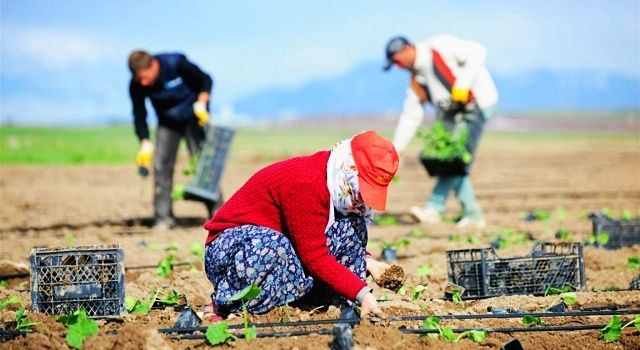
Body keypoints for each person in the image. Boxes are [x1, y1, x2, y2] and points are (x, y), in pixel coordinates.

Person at [202, 131, 398, 319]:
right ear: (350, 170)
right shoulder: (307, 184)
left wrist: (367, 262)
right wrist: (362, 293)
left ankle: (322, 302)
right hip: (232, 252)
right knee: (272, 245)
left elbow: (329, 235)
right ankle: (225, 304)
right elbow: (315, 256)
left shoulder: (336, 183)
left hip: (283, 248)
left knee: (351, 226)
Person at [383, 35, 498, 229]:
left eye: (396, 61)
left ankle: (437, 209)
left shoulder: (439, 46)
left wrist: (463, 83)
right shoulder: (416, 80)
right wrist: (398, 148)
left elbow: (478, 50)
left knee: (454, 159)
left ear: (406, 50)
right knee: (450, 159)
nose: (398, 67)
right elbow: (411, 115)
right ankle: (469, 214)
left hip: (477, 104)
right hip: (453, 115)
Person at [128, 50, 213, 230]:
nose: (144, 83)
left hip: (193, 117)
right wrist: (144, 141)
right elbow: (139, 112)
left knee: (204, 165)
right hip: (167, 122)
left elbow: (206, 80)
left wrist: (202, 102)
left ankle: (217, 213)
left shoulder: (176, 63)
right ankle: (163, 217)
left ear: (154, 65)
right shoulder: (136, 84)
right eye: (139, 79)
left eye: (146, 77)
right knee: (160, 165)